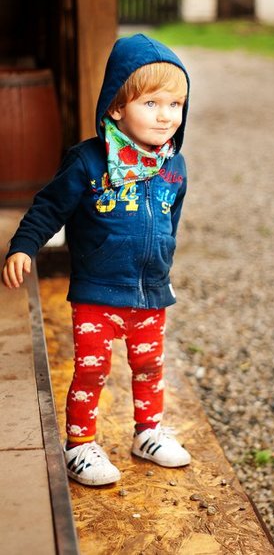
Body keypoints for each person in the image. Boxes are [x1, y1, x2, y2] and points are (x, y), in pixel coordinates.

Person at [2, 34, 191, 486]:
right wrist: (24, 245)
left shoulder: (174, 166)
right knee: (91, 370)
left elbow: (171, 219)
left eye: (175, 104)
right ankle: (80, 445)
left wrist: (162, 260)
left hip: (150, 292)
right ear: (116, 107)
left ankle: (148, 432)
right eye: (151, 103)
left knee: (150, 367)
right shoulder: (88, 162)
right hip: (98, 293)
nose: (166, 115)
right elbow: (49, 207)